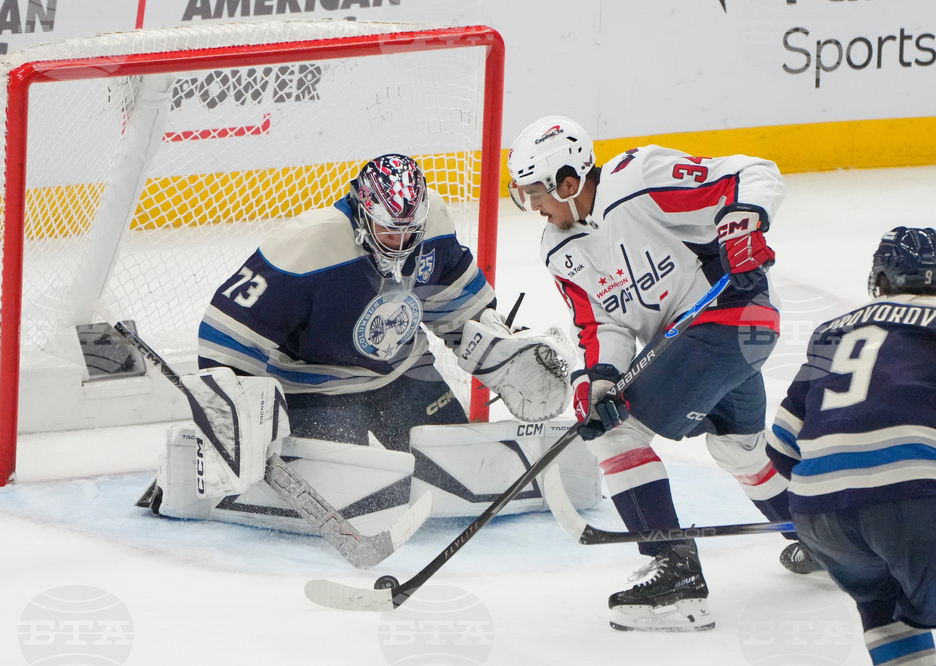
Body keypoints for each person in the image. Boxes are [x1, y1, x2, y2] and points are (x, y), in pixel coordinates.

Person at [152, 154, 573, 534]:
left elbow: (458, 306)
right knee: (354, 496)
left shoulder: (435, 226)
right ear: (361, 213)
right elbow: (225, 334)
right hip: (316, 389)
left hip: (405, 372)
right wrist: (235, 409)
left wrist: (499, 351)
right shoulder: (308, 246)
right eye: (389, 231)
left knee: (460, 473)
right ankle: (186, 469)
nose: (402, 243)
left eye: (411, 231)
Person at [507, 116, 810, 632]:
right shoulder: (558, 251)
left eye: (538, 192)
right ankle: (824, 540)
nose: (534, 206)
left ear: (569, 179)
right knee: (738, 448)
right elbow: (602, 323)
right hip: (700, 341)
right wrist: (599, 379)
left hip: (734, 315)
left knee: (619, 432)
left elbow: (752, 171)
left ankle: (677, 578)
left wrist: (744, 221)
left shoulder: (638, 179)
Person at [766, 227, 936, 666]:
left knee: (881, 608)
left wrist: (846, 487)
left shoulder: (830, 332)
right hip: (913, 500)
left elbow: (780, 446)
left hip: (817, 515)